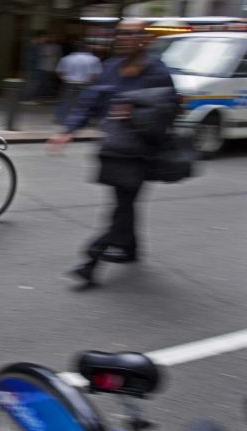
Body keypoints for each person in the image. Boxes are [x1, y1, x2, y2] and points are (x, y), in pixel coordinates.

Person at [47, 19, 178, 284]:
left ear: (145, 38)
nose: (125, 38)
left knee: (122, 205)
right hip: (115, 148)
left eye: (132, 33)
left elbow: (171, 107)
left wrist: (137, 111)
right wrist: (67, 131)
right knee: (124, 203)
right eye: (121, 33)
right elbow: (90, 103)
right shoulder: (110, 68)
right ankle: (131, 249)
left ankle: (92, 260)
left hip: (142, 151)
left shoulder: (157, 71)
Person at [55, 42, 102, 124]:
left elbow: (59, 72)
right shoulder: (94, 59)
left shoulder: (66, 58)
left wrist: (64, 78)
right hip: (86, 83)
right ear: (87, 49)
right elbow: (95, 75)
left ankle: (61, 119)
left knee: (66, 102)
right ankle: (81, 120)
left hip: (69, 83)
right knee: (84, 103)